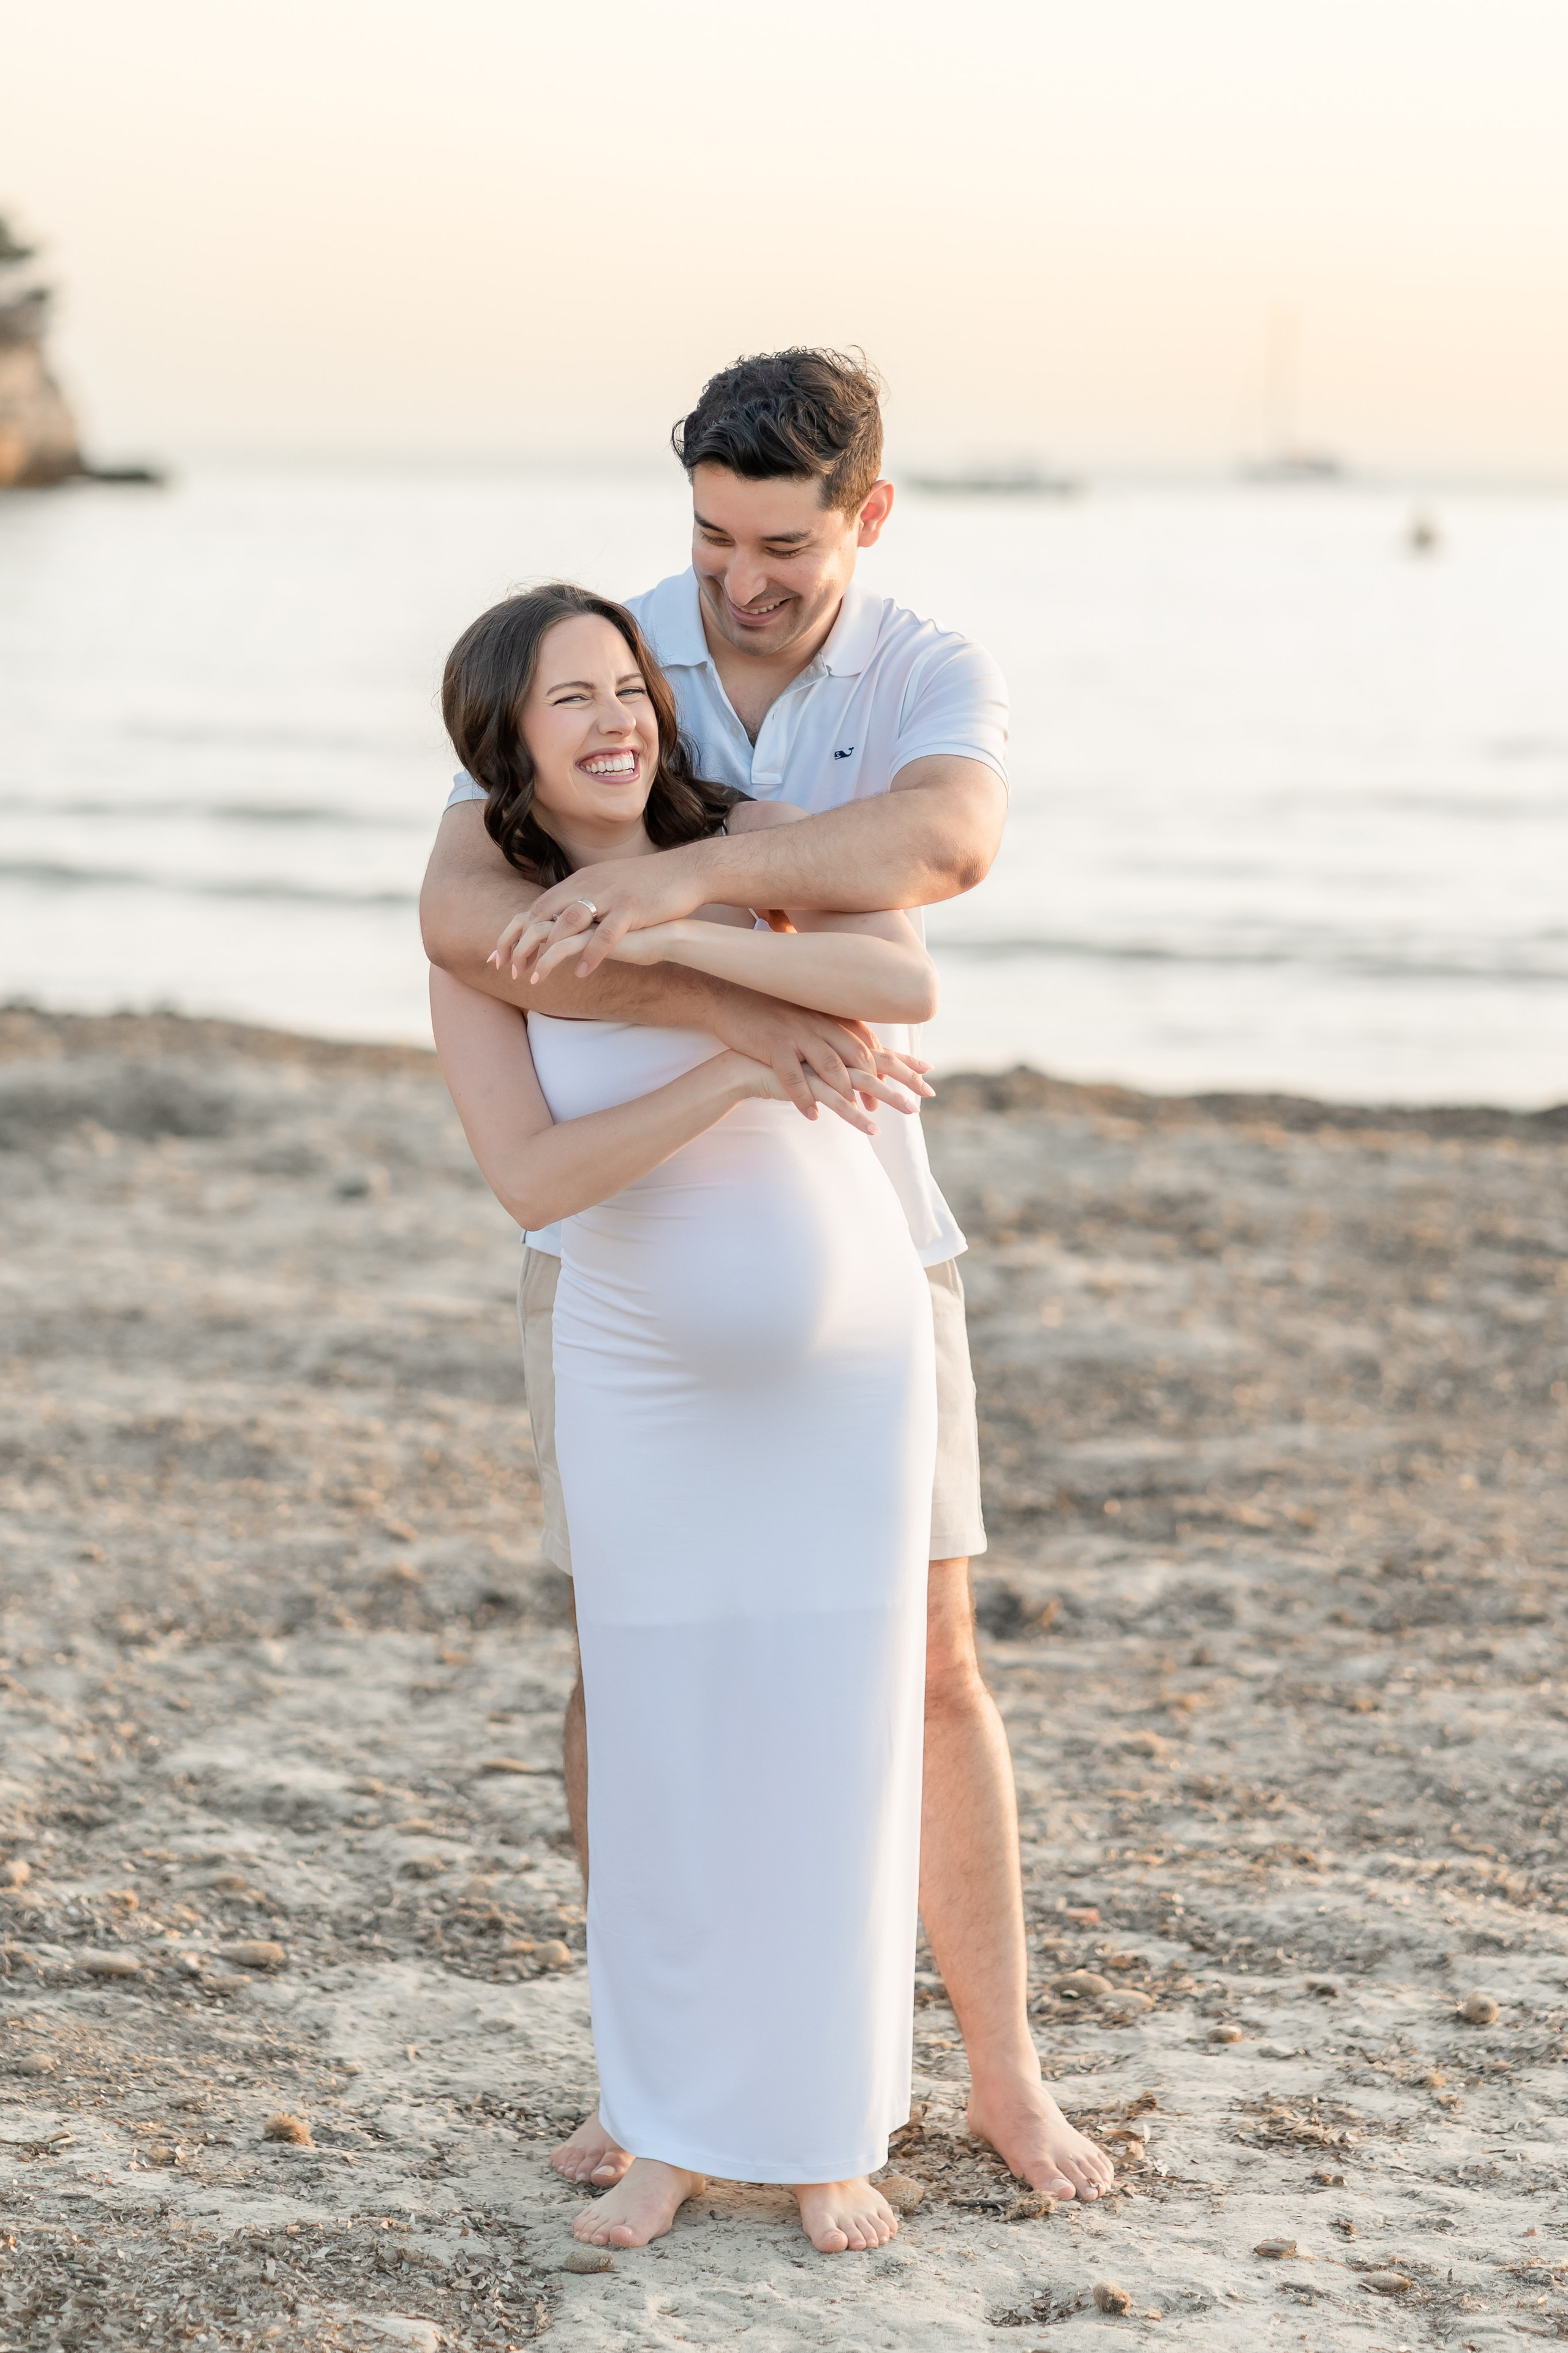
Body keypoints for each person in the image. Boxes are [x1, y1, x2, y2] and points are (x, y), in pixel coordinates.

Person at [420, 348, 1114, 2207]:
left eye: (782, 546)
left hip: (877, 1232)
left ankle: (998, 2074)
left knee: (928, 1665)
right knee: (632, 1668)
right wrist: (725, 1006)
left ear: (865, 516)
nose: (736, 581)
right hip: (629, 1258)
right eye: (711, 538)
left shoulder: (924, 672)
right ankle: (662, 2078)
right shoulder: (616, 650)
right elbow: (468, 907)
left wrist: (683, 887)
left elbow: (943, 851)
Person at [432, 582, 939, 2250]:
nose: (616, 720)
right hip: (637, 1371)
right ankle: (666, 2128)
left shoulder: (752, 840)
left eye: (629, 687)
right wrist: (735, 1061)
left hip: (847, 1368)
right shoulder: (496, 936)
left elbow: (898, 976)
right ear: (506, 746)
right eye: (570, 699)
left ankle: (824, 2133)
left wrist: (677, 928)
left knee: (834, 1737)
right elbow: (532, 1180)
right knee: (666, 1745)